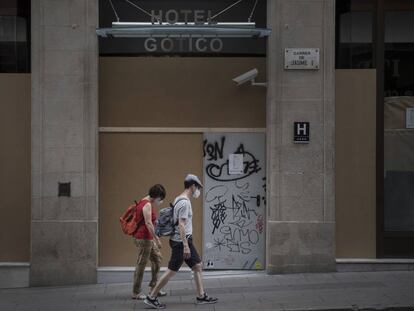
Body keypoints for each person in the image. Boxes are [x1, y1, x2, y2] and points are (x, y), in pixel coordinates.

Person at [144, 174, 218, 309]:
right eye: (197, 187)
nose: (198, 191)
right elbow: (181, 224)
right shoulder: (184, 202)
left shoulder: (179, 198)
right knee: (171, 271)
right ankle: (151, 297)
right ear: (192, 186)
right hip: (181, 242)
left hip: (184, 240)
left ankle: (201, 296)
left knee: (197, 266)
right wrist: (185, 246)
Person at [132, 184, 168, 300]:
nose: (161, 201)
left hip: (148, 238)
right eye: (161, 198)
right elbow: (148, 223)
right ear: (157, 196)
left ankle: (154, 288)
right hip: (144, 238)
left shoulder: (144, 202)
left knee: (157, 259)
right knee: (141, 265)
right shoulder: (146, 204)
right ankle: (136, 292)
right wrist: (157, 239)